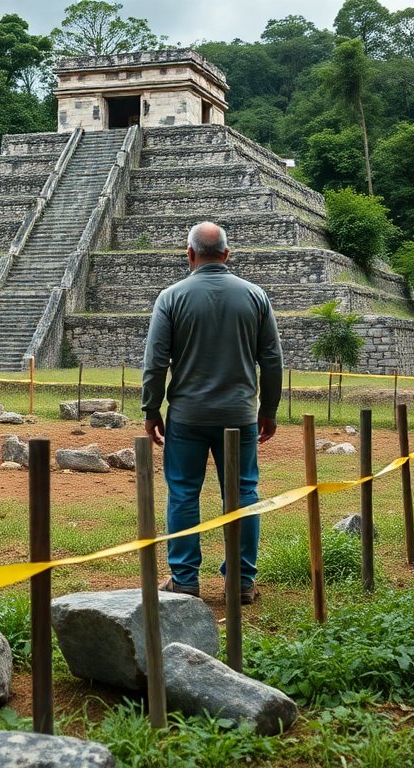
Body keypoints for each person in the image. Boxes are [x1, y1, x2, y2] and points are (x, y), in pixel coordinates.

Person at [141, 221, 283, 605]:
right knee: (243, 493)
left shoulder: (170, 297)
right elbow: (272, 360)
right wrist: (268, 409)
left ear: (189, 254)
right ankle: (241, 581)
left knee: (183, 494)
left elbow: (155, 363)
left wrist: (151, 408)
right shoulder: (255, 296)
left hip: (187, 416)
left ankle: (184, 579)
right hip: (239, 415)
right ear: (226, 254)